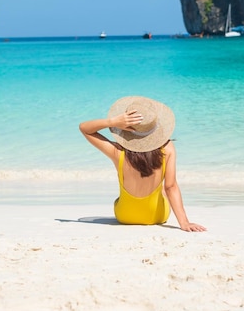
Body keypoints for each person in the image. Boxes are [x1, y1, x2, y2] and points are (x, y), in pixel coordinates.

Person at [79, 96, 206, 232]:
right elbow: (171, 186)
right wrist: (184, 223)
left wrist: (113, 122)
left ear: (125, 128)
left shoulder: (117, 152)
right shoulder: (167, 148)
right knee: (163, 188)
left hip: (125, 216)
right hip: (155, 216)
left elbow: (84, 128)